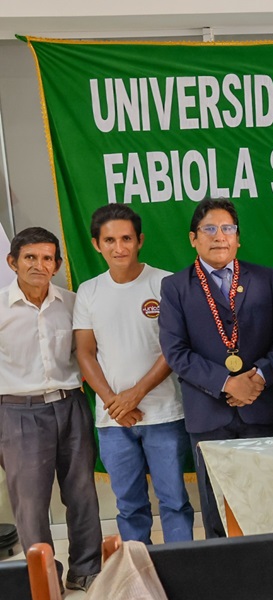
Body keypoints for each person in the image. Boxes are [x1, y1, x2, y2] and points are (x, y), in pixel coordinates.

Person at [159, 197, 273, 539]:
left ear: (238, 238)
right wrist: (226, 383)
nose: (220, 236)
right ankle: (222, 581)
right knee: (216, 508)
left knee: (268, 502)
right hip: (208, 416)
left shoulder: (265, 279)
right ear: (193, 238)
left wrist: (259, 376)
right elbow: (175, 351)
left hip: (261, 410)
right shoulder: (175, 288)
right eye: (210, 229)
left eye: (228, 228)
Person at [74, 204, 194, 545]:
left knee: (174, 501)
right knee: (129, 506)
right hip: (114, 421)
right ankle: (138, 575)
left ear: (139, 240)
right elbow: (85, 352)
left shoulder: (165, 283)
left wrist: (135, 395)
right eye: (109, 240)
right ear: (97, 244)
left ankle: (182, 571)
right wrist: (115, 402)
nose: (119, 247)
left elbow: (174, 349)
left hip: (163, 413)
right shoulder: (89, 291)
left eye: (126, 238)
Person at [0, 227, 102, 590]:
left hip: (71, 404)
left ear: (57, 265)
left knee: (82, 492)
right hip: (17, 412)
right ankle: (44, 578)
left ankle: (87, 570)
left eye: (47, 258)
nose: (39, 265)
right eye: (30, 257)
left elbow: (86, 355)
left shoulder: (73, 304)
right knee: (30, 502)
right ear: (13, 262)